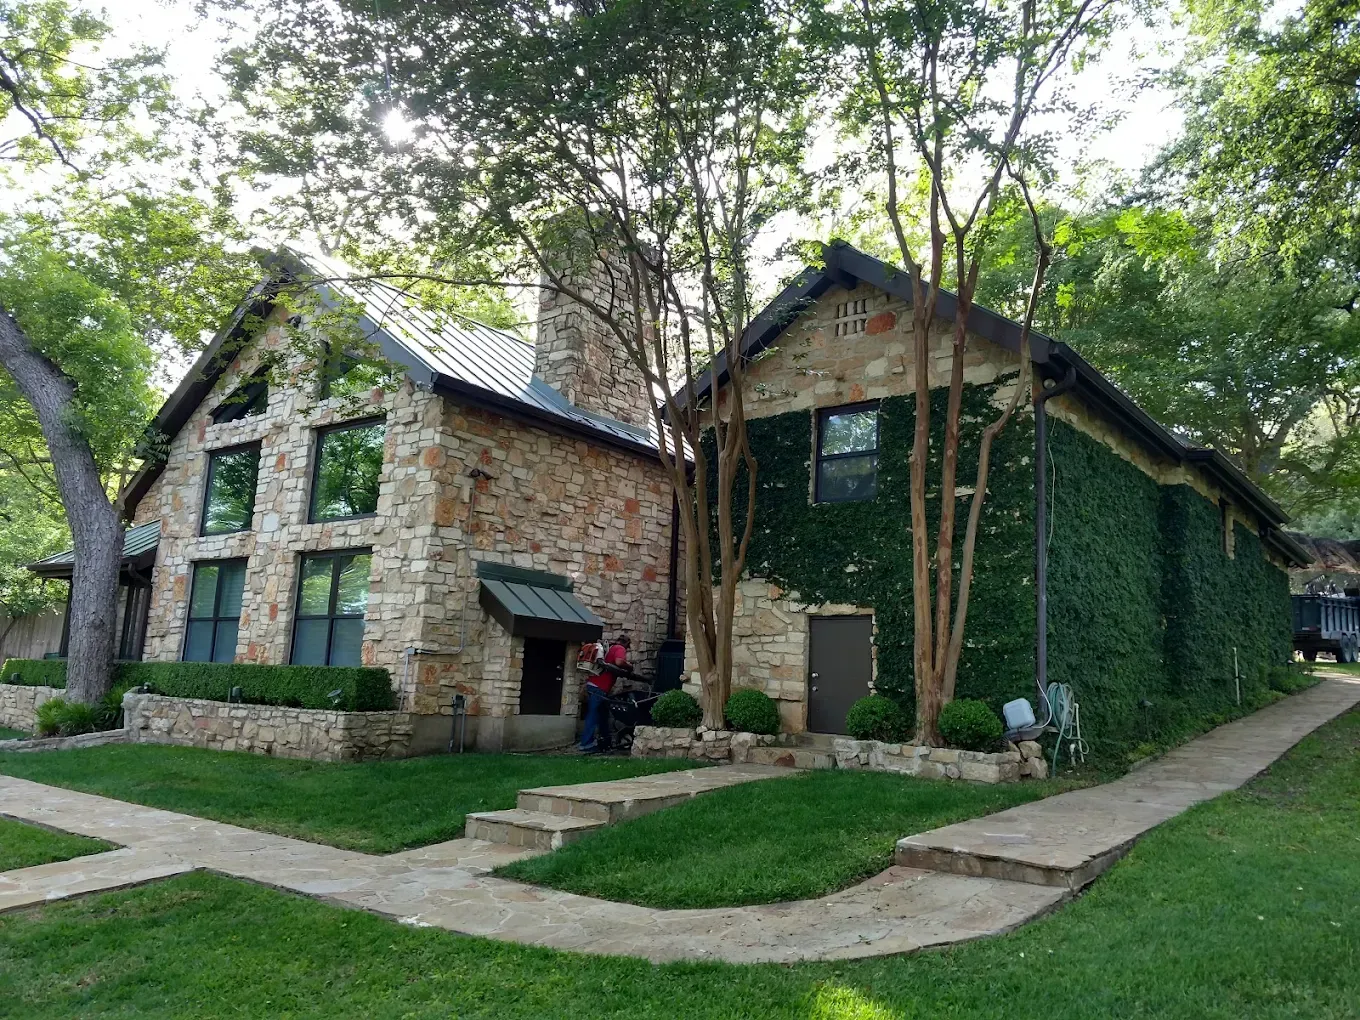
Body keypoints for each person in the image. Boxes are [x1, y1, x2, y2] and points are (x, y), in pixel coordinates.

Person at [578, 635, 631, 753]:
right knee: (593, 715)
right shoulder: (620, 648)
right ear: (627, 644)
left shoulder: (610, 648)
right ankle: (586, 744)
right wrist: (629, 666)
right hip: (599, 687)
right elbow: (619, 662)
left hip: (594, 685)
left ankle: (605, 741)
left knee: (603, 715)